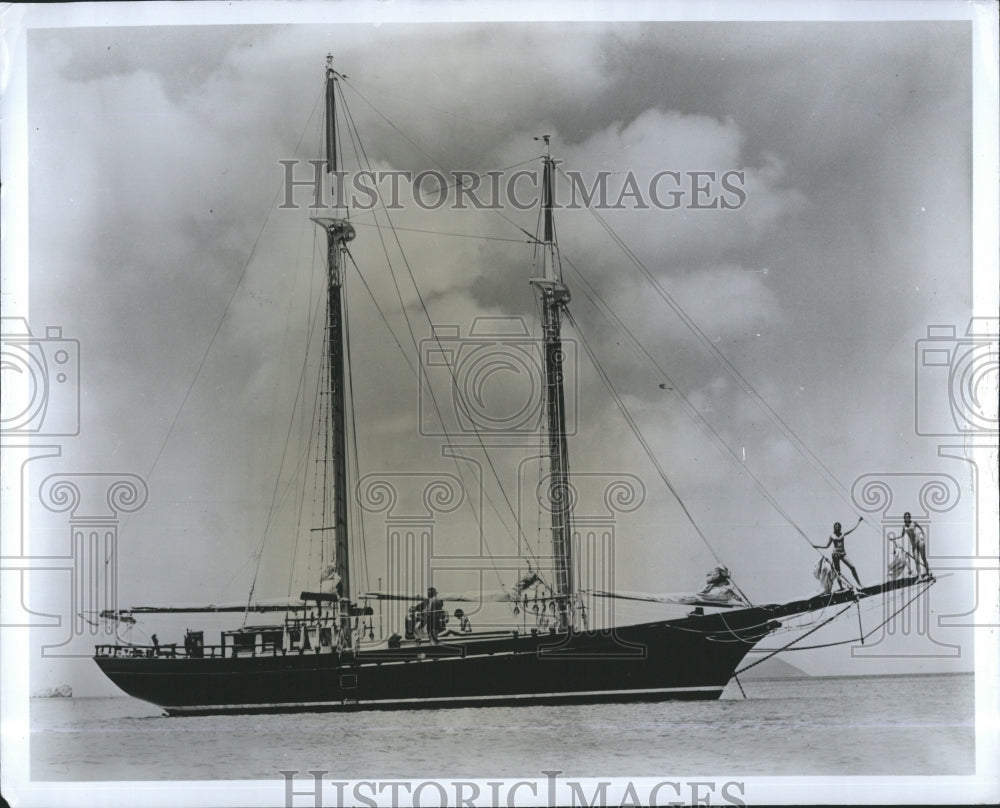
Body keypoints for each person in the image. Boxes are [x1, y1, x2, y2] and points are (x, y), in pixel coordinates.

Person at [812, 517, 863, 588]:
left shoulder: (843, 534)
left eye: (838, 527)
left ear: (840, 528)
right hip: (835, 555)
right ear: (834, 528)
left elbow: (852, 529)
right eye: (836, 527)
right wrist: (817, 546)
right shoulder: (832, 536)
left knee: (852, 567)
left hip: (843, 554)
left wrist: (858, 522)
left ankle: (859, 583)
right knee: (838, 572)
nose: (837, 528)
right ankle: (841, 587)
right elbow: (827, 546)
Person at [897, 512, 932, 579]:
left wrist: (923, 535)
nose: (907, 518)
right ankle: (919, 576)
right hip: (914, 545)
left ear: (909, 517)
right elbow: (901, 535)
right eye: (906, 517)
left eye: (908, 516)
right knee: (916, 560)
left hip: (919, 541)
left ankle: (927, 573)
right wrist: (894, 538)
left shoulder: (913, 523)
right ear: (904, 518)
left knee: (923, 557)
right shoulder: (904, 526)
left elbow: (920, 527)